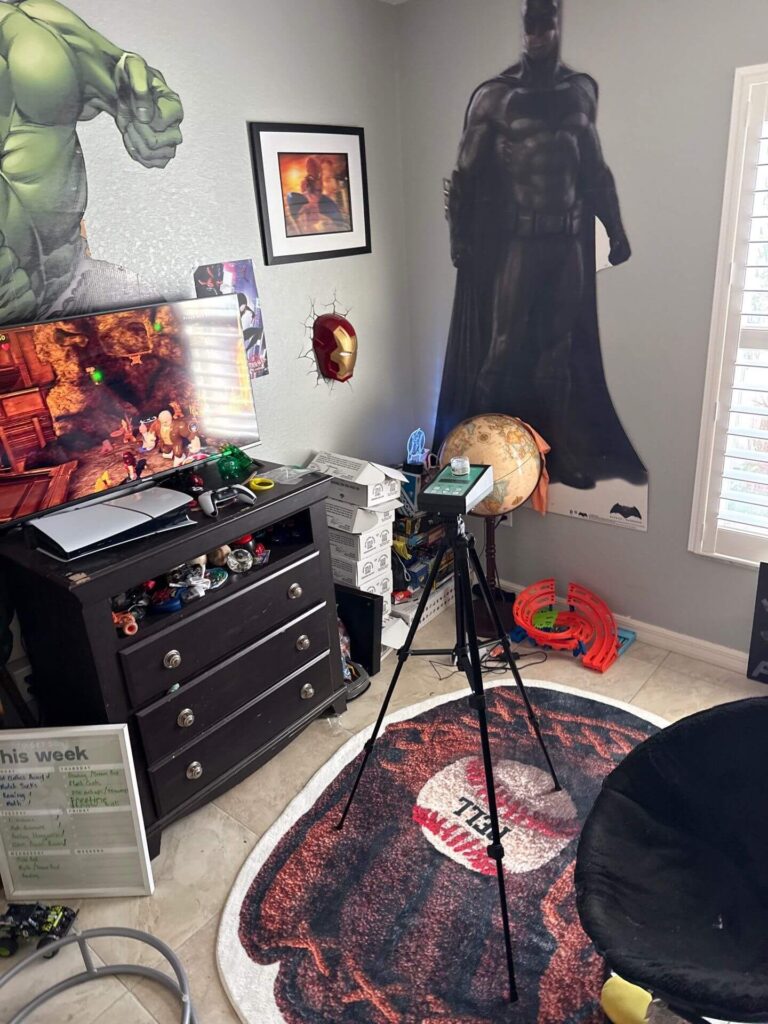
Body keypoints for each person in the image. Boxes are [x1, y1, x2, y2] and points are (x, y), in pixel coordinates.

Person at [434, 0, 646, 489]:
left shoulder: (579, 94)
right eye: (530, 24)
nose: (538, 34)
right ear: (523, 29)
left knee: (559, 351)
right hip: (521, 244)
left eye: (546, 23)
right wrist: (459, 241)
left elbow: (595, 171)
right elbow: (465, 178)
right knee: (501, 349)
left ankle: (554, 452)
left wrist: (616, 230)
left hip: (568, 243)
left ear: (557, 26)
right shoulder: (495, 98)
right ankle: (476, 453)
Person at [0, 0, 184, 325]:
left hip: (78, 289)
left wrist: (147, 112)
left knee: (196, 356)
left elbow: (125, 80)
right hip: (19, 323)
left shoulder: (37, 25)